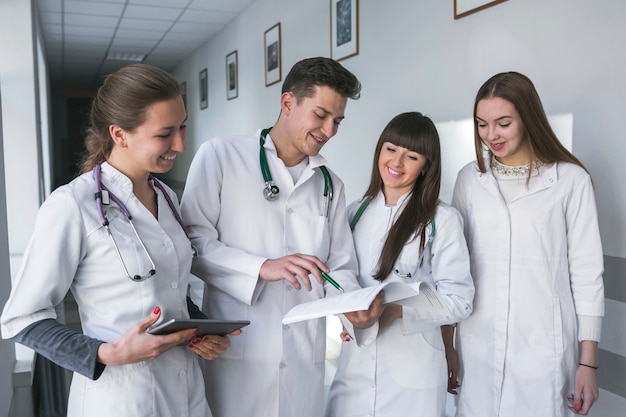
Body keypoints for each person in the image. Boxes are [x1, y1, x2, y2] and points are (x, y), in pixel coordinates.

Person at [1, 63, 236, 417]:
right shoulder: (72, 205)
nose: (181, 144)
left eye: (183, 127)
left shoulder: (167, 197)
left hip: (187, 392)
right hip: (121, 398)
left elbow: (169, 288)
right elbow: (21, 319)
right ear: (119, 134)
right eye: (165, 133)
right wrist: (108, 353)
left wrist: (200, 329)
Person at [180, 57, 383, 417]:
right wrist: (261, 267)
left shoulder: (329, 184)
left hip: (302, 358)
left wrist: (353, 305)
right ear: (287, 103)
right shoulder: (221, 156)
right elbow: (192, 243)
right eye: (320, 115)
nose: (329, 130)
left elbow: (339, 265)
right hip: (240, 354)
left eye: (337, 121)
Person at [447, 71, 605, 416]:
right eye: (482, 124)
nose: (491, 135)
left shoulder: (570, 181)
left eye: (503, 123)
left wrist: (588, 364)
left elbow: (588, 275)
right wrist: (449, 346)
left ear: (528, 117)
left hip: (542, 347)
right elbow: (451, 270)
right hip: (478, 343)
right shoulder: (469, 181)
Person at [324, 112, 474, 417]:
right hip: (355, 365)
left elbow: (460, 301)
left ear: (426, 167)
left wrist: (394, 311)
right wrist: (348, 318)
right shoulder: (354, 213)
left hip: (414, 371)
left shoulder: (441, 220)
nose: (396, 163)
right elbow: (339, 278)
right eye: (391, 149)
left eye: (412, 156)